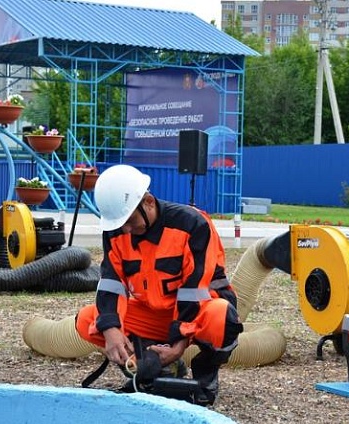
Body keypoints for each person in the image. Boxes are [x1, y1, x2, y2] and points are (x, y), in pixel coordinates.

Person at [75, 164, 243, 406]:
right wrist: (111, 330)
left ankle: (204, 379)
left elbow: (195, 291)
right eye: (121, 224)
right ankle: (149, 369)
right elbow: (112, 283)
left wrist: (179, 345)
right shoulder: (116, 230)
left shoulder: (191, 225)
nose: (126, 230)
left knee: (221, 315)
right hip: (154, 316)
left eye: (130, 221)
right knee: (88, 320)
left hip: (197, 314)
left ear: (149, 202)